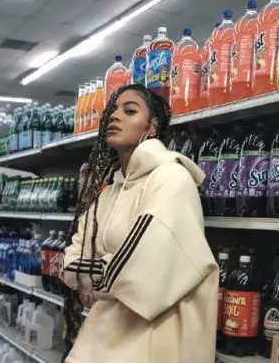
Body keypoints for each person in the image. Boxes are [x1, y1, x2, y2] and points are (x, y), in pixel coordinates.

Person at [61, 84, 219, 363]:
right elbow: (69, 262)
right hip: (104, 338)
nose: (115, 116)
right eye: (112, 110)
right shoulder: (109, 191)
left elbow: (139, 271)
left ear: (152, 126)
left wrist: (91, 275)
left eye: (130, 111)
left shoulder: (171, 179)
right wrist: (104, 272)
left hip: (156, 342)